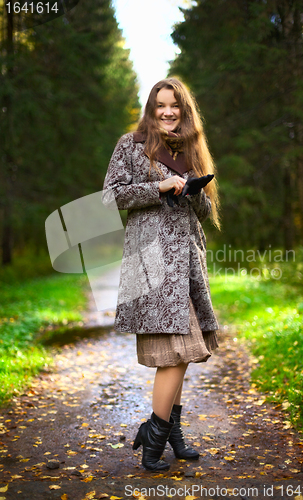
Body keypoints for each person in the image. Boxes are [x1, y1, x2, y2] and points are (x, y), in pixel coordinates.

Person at [102, 77, 221, 472]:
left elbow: (204, 213)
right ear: (151, 109)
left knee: (181, 353)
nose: (169, 112)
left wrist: (194, 190)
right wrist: (160, 186)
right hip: (151, 265)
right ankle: (155, 436)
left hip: (186, 265)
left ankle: (168, 431)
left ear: (184, 111)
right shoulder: (131, 145)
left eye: (176, 106)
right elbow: (111, 196)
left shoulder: (190, 150)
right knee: (176, 352)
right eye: (161, 105)